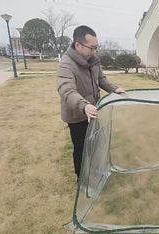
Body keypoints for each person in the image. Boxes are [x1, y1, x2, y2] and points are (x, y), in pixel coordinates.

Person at [57, 25, 125, 178]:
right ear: (78, 45)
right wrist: (84, 105)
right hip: (77, 114)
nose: (94, 52)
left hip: (93, 111)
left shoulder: (93, 61)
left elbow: (101, 79)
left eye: (96, 48)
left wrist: (114, 89)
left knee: (97, 143)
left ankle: (97, 170)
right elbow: (66, 90)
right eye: (92, 48)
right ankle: (82, 178)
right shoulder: (66, 64)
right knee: (81, 148)